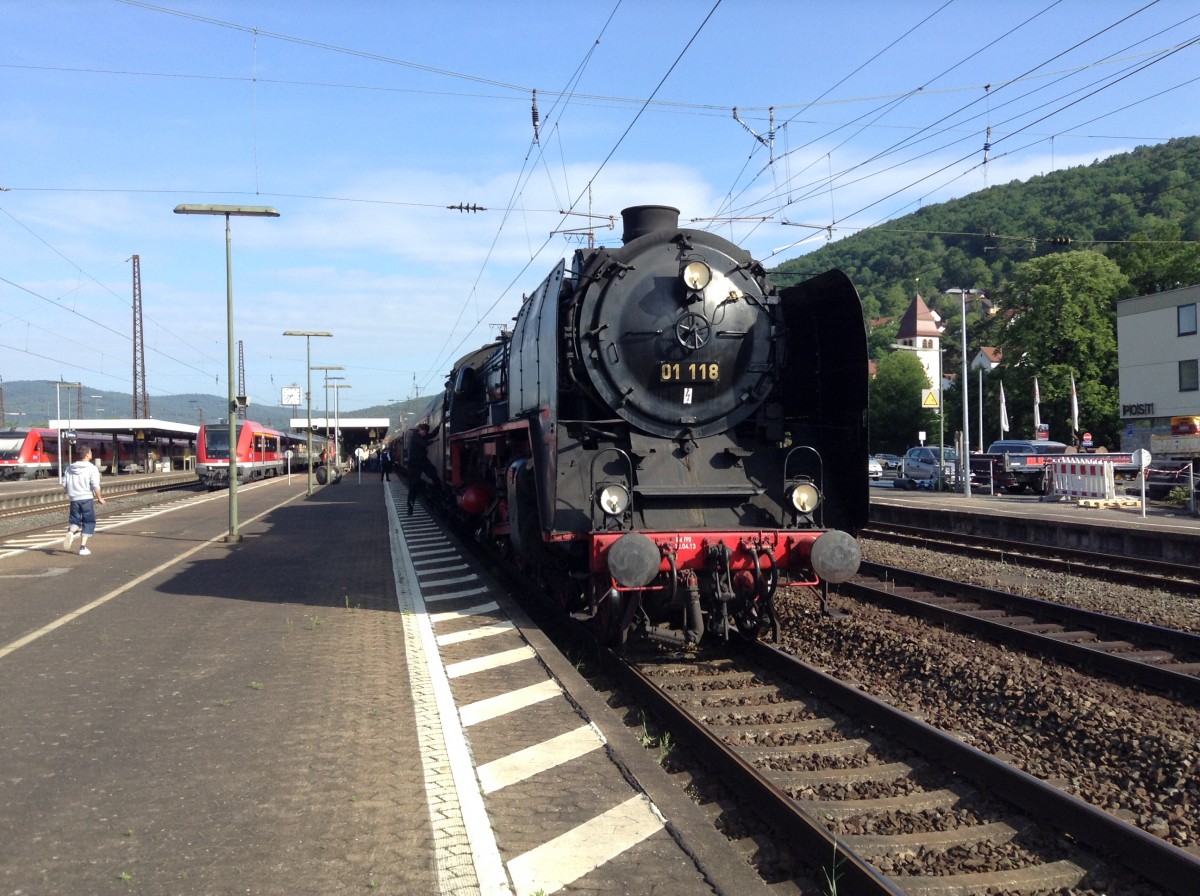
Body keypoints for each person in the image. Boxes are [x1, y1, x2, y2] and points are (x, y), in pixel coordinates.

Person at [61, 446, 106, 556]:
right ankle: (82, 547)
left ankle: (71, 532)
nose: (91, 454)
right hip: (86, 498)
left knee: (75, 521)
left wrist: (72, 493)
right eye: (90, 452)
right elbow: (95, 485)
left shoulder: (69, 468)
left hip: (74, 499)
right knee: (88, 522)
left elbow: (64, 483)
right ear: (87, 454)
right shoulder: (91, 468)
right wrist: (99, 497)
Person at [406, 424, 436, 516]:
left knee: (434, 474)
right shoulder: (415, 437)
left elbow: (432, 434)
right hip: (414, 464)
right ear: (420, 430)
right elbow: (423, 444)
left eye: (426, 432)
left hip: (422, 462)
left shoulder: (423, 435)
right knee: (413, 486)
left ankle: (434, 497)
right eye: (423, 431)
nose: (425, 433)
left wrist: (439, 425)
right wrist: (433, 441)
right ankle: (410, 507)